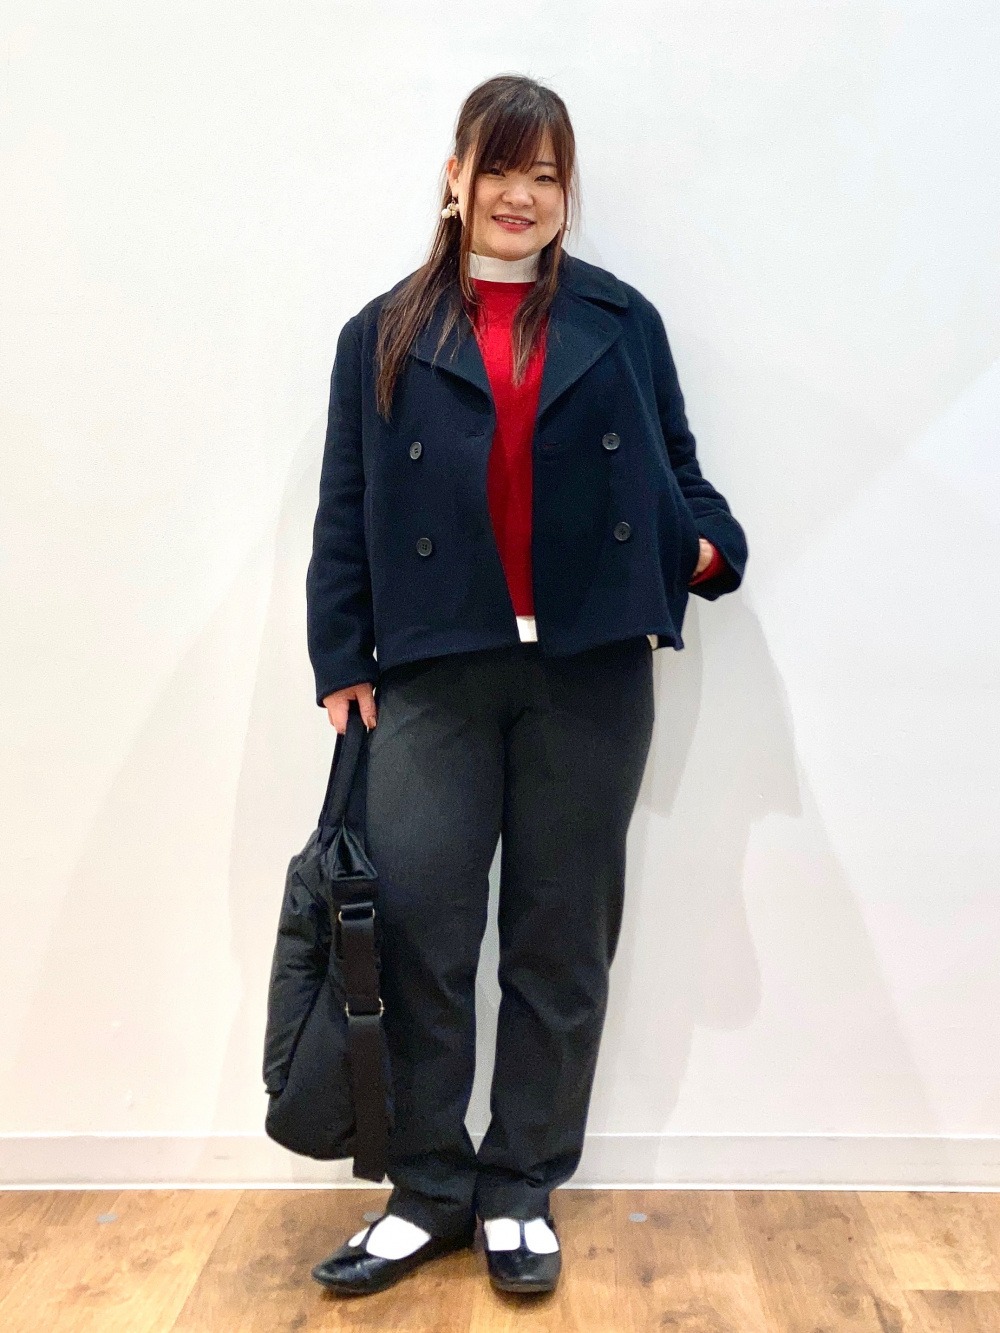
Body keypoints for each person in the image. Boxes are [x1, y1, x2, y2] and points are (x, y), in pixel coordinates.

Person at [306, 73, 748, 1298]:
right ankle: (427, 1189)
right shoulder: (381, 332)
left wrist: (704, 550)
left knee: (560, 938)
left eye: (545, 174)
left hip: (587, 670)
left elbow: (680, 476)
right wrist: (341, 657)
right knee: (420, 933)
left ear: (565, 191)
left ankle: (519, 1188)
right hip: (433, 669)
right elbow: (345, 506)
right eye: (499, 167)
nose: (521, 194)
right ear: (454, 178)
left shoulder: (620, 320)